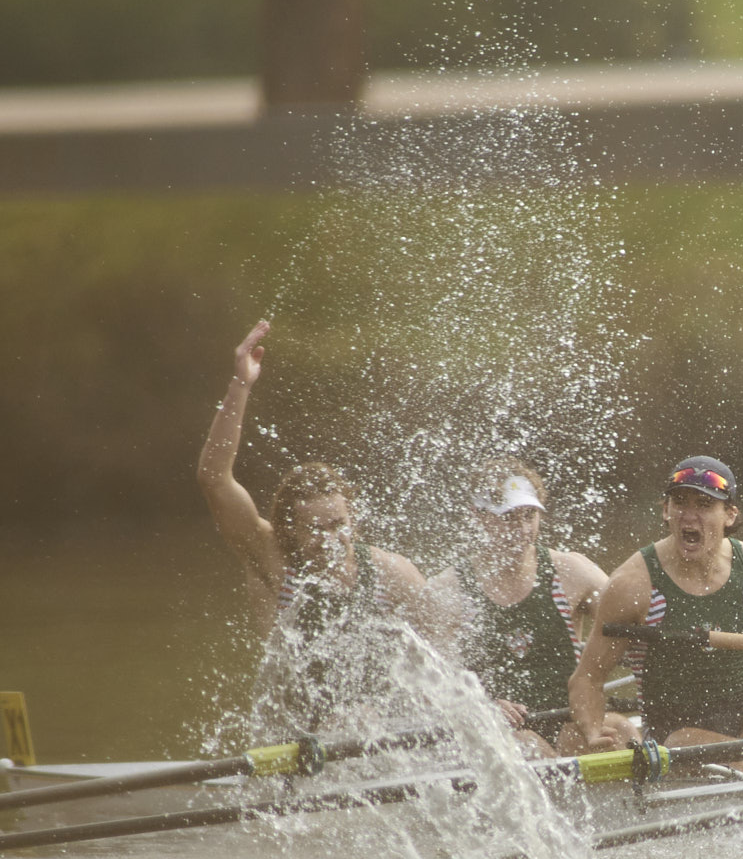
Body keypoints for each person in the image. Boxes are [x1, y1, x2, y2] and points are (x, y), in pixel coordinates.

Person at [195, 320, 429, 727]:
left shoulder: (394, 573)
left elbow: (446, 656)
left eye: (338, 524)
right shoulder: (272, 560)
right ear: (289, 531)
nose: (331, 539)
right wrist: (240, 386)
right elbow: (214, 479)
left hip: (381, 732)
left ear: (353, 519)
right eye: (315, 529)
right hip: (297, 734)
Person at [569, 457, 743, 763]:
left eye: (703, 504)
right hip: (670, 737)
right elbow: (588, 678)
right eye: (679, 503)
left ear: (730, 515)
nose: (689, 516)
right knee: (737, 761)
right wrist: (593, 732)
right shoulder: (632, 586)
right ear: (666, 510)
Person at [423, 464, 607, 757]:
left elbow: (632, 622)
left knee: (621, 732)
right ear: (479, 517)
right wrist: (480, 705)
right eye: (508, 517)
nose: (522, 531)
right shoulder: (448, 591)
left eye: (529, 515)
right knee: (530, 747)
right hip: (498, 731)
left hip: (568, 717)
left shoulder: (573, 571)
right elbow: (430, 685)